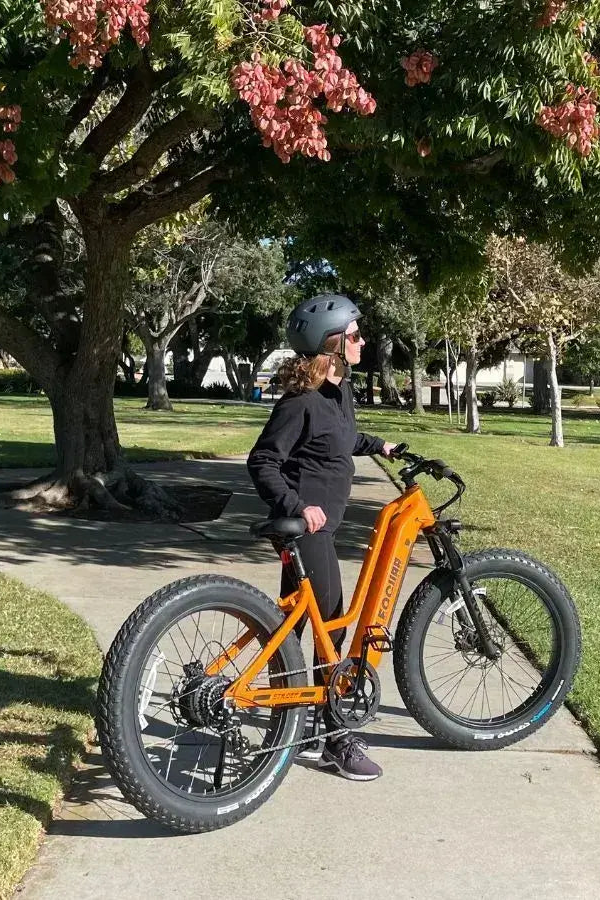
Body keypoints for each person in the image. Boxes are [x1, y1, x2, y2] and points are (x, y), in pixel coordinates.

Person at [247, 293, 399, 782]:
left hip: (321, 527)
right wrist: (297, 507)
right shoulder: (301, 403)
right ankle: (335, 737)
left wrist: (380, 445)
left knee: (291, 625)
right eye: (354, 336)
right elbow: (263, 461)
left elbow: (340, 439)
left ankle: (287, 723)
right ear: (332, 346)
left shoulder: (337, 392)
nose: (362, 341)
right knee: (330, 626)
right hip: (305, 528)